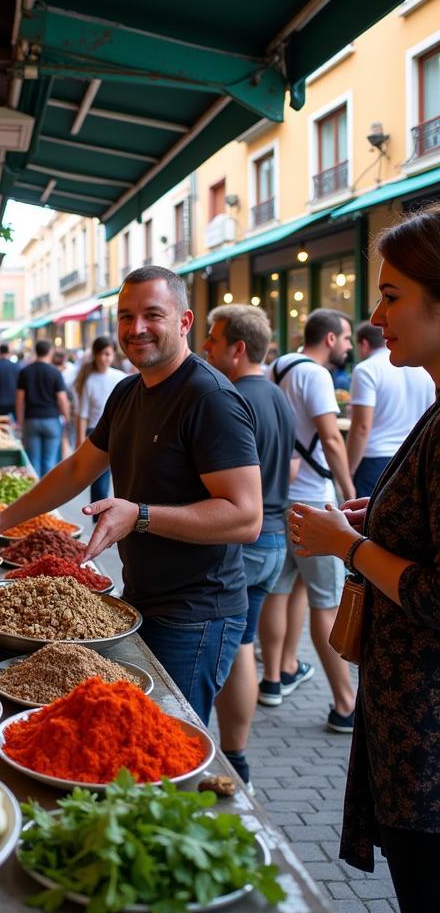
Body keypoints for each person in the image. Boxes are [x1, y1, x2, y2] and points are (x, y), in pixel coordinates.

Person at [0, 267, 262, 724]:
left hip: (196, 612)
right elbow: (80, 467)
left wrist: (139, 515)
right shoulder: (127, 393)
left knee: (166, 735)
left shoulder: (210, 398)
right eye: (126, 316)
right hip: (139, 598)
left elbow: (246, 518)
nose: (136, 329)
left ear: (184, 322)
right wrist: (2, 520)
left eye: (152, 315)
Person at [287, 208, 440, 913]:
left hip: (431, 739)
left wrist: (346, 544)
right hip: (409, 721)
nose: (376, 317)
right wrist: (373, 514)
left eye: (392, 295)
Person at [202, 305, 295, 790]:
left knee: (235, 648)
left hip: (248, 542)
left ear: (238, 349)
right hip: (276, 539)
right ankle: (239, 759)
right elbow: (292, 470)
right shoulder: (279, 397)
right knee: (246, 643)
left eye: (214, 341)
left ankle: (232, 762)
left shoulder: (233, 398)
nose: (206, 348)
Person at [259, 309, 357, 733]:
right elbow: (332, 437)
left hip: (280, 499)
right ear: (331, 338)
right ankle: (345, 703)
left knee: (282, 591)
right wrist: (348, 489)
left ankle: (274, 678)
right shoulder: (316, 376)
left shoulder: (277, 366)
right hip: (314, 504)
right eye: (348, 338)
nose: (350, 346)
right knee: (326, 601)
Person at [346, 320, 435, 497]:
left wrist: (347, 472)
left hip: (374, 461)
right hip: (412, 457)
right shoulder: (422, 368)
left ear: (364, 344)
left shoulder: (366, 369)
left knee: (365, 521)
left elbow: (362, 428)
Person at [75, 336, 127, 506]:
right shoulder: (89, 380)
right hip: (95, 433)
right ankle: (99, 518)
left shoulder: (121, 377)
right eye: (103, 354)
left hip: (119, 432)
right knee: (98, 482)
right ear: (96, 355)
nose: (106, 358)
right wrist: (79, 440)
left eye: (109, 354)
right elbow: (82, 414)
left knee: (122, 478)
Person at [14, 340, 69, 476]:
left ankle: (34, 493)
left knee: (33, 462)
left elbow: (20, 399)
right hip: (51, 420)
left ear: (36, 352)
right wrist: (66, 417)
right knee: (49, 461)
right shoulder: (55, 372)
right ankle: (48, 495)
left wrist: (20, 421)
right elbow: (62, 398)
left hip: (31, 419)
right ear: (50, 352)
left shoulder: (25, 372)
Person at [0, 344, 19, 418]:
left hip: (1, 400)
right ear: (9, 352)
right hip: (14, 399)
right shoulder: (15, 366)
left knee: (2, 422)